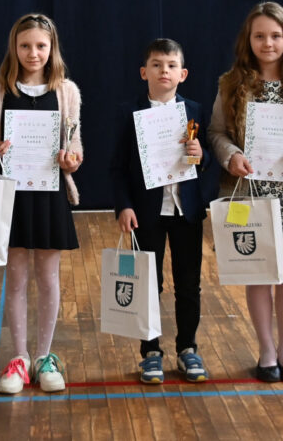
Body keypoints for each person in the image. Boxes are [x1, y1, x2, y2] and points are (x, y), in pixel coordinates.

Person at [208, 2, 283, 384]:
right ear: (248, 40)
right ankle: (265, 349)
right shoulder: (231, 82)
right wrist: (231, 156)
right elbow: (216, 133)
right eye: (259, 35)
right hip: (250, 192)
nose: (268, 43)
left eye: (275, 35)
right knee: (258, 273)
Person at [0, 13, 83, 394]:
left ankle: (44, 356)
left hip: (50, 194)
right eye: (25, 46)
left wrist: (72, 159)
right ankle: (19, 358)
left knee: (48, 278)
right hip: (12, 195)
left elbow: (75, 144)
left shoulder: (67, 92)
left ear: (52, 49)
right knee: (15, 279)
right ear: (14, 48)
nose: (33, 53)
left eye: (41, 46)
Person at [109, 38, 211, 384]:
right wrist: (124, 205)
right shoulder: (129, 112)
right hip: (146, 212)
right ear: (144, 72)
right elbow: (117, 167)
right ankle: (150, 352)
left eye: (171, 66)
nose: (163, 71)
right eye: (156, 65)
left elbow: (207, 160)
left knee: (189, 284)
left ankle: (188, 348)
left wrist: (201, 154)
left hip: (186, 211)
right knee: (148, 283)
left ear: (182, 74)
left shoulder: (194, 110)